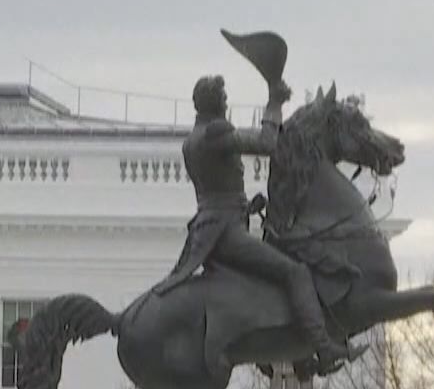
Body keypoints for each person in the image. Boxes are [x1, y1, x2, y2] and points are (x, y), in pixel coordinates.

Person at [155, 55, 362, 369]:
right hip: (225, 232)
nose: (227, 103)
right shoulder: (215, 132)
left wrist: (245, 206)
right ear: (216, 103)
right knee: (295, 271)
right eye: (224, 98)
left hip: (212, 226)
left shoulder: (192, 140)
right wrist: (274, 102)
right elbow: (267, 143)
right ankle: (322, 347)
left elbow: (216, 192)